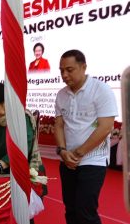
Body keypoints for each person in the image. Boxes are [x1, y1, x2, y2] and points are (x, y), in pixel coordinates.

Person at [54, 49, 118, 224]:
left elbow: (105, 127)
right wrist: (63, 151)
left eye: (69, 69)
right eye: (61, 70)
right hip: (67, 160)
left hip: (93, 160)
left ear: (83, 67)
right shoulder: (61, 94)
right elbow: (59, 125)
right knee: (71, 209)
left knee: (85, 211)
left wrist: (79, 153)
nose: (64, 75)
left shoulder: (101, 89)